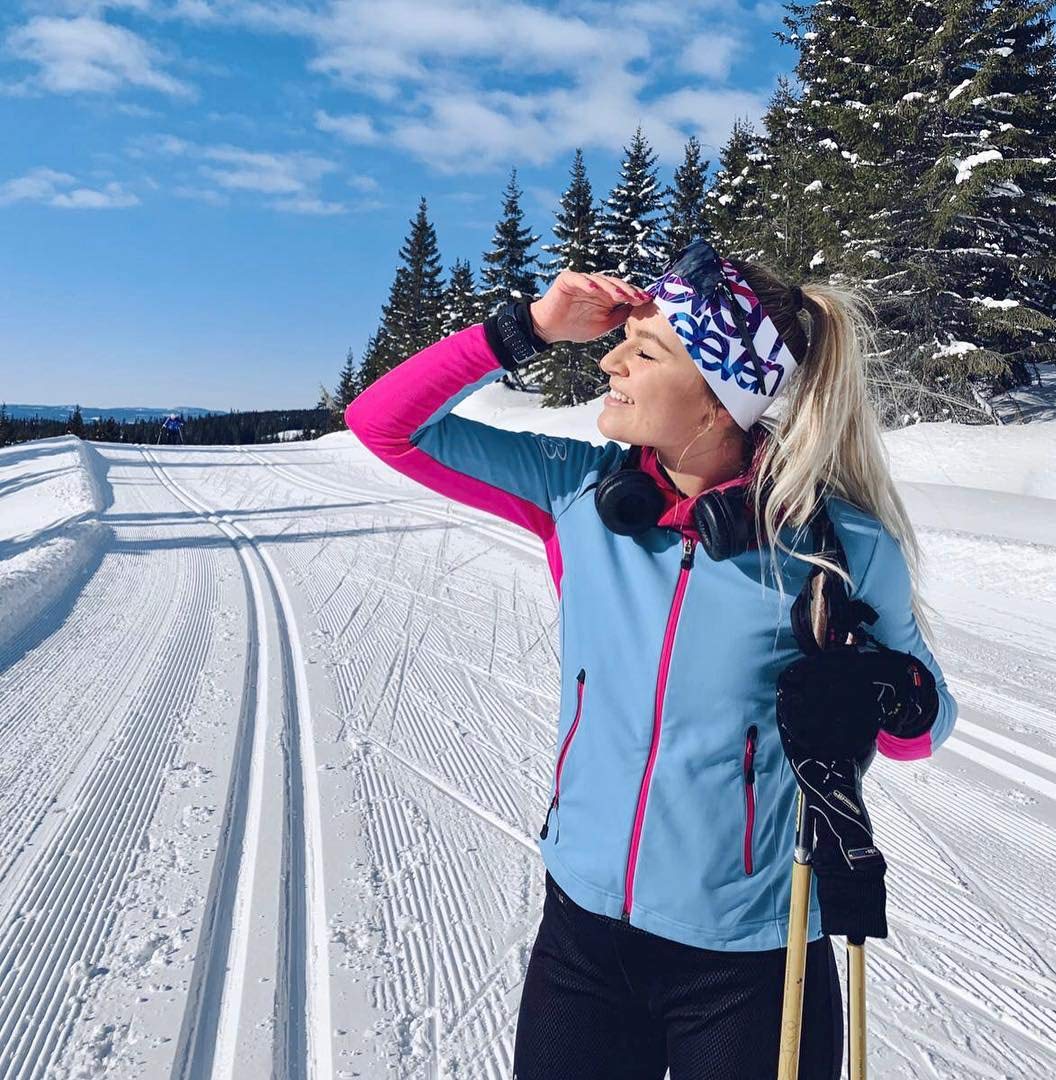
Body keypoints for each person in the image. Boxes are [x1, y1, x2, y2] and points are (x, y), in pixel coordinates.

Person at [345, 239, 958, 1079]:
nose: (609, 362)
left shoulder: (838, 545)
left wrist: (884, 693)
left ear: (718, 401)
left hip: (751, 961)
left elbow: (922, 728)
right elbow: (381, 423)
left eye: (645, 350)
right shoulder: (580, 494)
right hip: (583, 937)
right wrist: (527, 328)